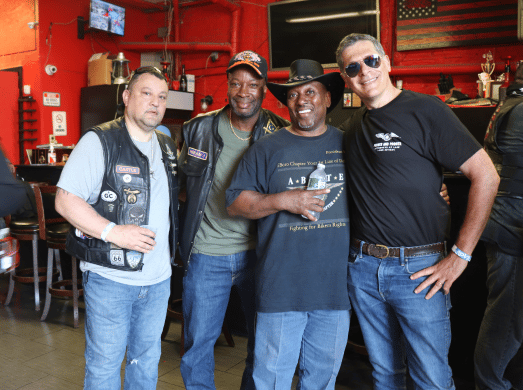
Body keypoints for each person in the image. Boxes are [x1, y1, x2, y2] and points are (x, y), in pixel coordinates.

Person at [336, 33, 500, 389]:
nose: (364, 71)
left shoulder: (427, 109)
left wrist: (461, 255)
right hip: (363, 268)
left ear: (387, 62)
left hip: (419, 271)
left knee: (431, 378)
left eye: (371, 60)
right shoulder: (351, 129)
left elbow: (486, 176)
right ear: (345, 79)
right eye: (353, 67)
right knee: (385, 374)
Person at [226, 59, 350, 390]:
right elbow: (235, 202)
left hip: (334, 290)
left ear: (327, 98)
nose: (301, 101)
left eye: (311, 91)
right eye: (293, 95)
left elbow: (386, 184)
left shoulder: (350, 144)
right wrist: (284, 200)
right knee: (271, 381)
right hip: (281, 289)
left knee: (322, 381)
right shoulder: (267, 149)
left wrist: (433, 190)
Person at [55, 66, 179, 389]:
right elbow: (65, 200)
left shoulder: (166, 145)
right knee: (104, 367)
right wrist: (114, 232)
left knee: (146, 364)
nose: (155, 102)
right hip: (110, 278)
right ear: (127, 97)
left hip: (157, 280)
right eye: (146, 93)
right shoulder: (99, 141)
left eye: (162, 97)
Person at [178, 50, 289, 390]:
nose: (243, 91)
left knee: (263, 343)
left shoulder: (279, 133)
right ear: (227, 85)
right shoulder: (198, 129)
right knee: (198, 345)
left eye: (252, 84)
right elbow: (180, 188)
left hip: (261, 255)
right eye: (236, 83)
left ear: (264, 88)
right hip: (207, 253)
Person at [474, 64, 523, 390]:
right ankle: (491, 385)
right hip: (510, 229)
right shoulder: (520, 111)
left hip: (504, 223)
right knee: (507, 323)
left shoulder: (511, 105)